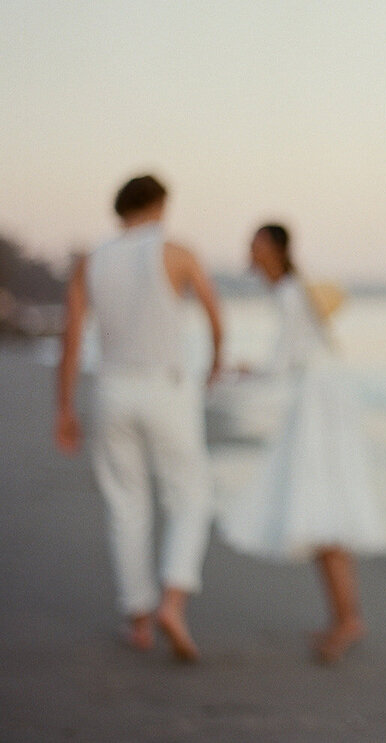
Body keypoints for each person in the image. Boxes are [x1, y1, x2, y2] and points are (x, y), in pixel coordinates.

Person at [55, 174, 222, 662]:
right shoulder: (177, 252)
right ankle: (173, 600)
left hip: (111, 389)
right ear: (159, 205)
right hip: (167, 387)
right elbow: (214, 314)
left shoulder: (92, 260)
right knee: (190, 495)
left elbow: (70, 336)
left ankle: (139, 620)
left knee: (125, 503)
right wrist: (215, 364)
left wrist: (64, 407)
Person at [220, 223, 383, 664]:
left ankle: (348, 619)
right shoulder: (291, 292)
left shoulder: (291, 294)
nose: (249, 253)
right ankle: (342, 616)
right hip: (324, 397)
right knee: (320, 507)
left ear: (273, 248)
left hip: (319, 403)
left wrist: (239, 373)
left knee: (322, 508)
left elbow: (282, 362)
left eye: (254, 244)